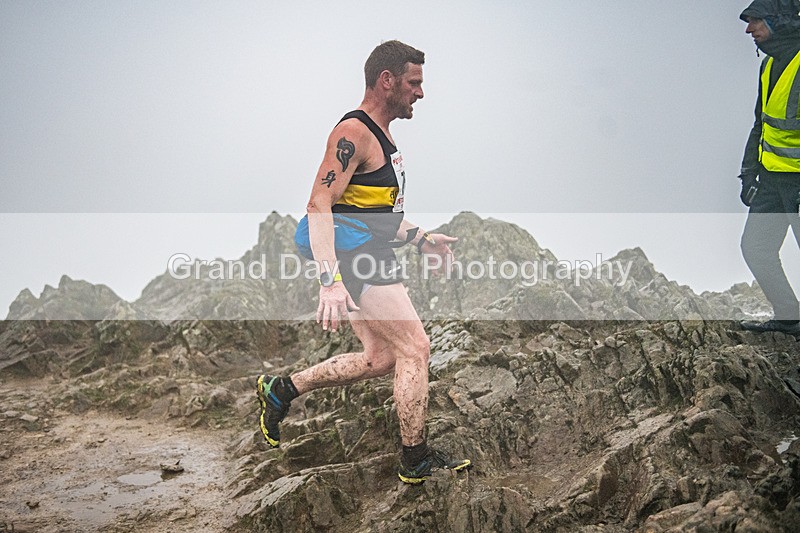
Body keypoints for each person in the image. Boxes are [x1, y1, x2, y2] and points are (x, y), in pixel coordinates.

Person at [256, 40, 471, 484]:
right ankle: (416, 461)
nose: (421, 93)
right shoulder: (352, 133)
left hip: (366, 250)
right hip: (351, 257)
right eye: (414, 83)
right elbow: (319, 205)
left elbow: (375, 215)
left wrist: (421, 238)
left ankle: (282, 390)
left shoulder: (383, 135)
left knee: (380, 358)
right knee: (416, 347)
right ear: (387, 80)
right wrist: (330, 281)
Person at [739, 0, 800, 336]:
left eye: (756, 21)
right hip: (772, 182)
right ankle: (790, 316)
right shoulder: (769, 65)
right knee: (756, 248)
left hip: (797, 183)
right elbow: (760, 124)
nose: (750, 29)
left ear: (781, 21)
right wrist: (748, 172)